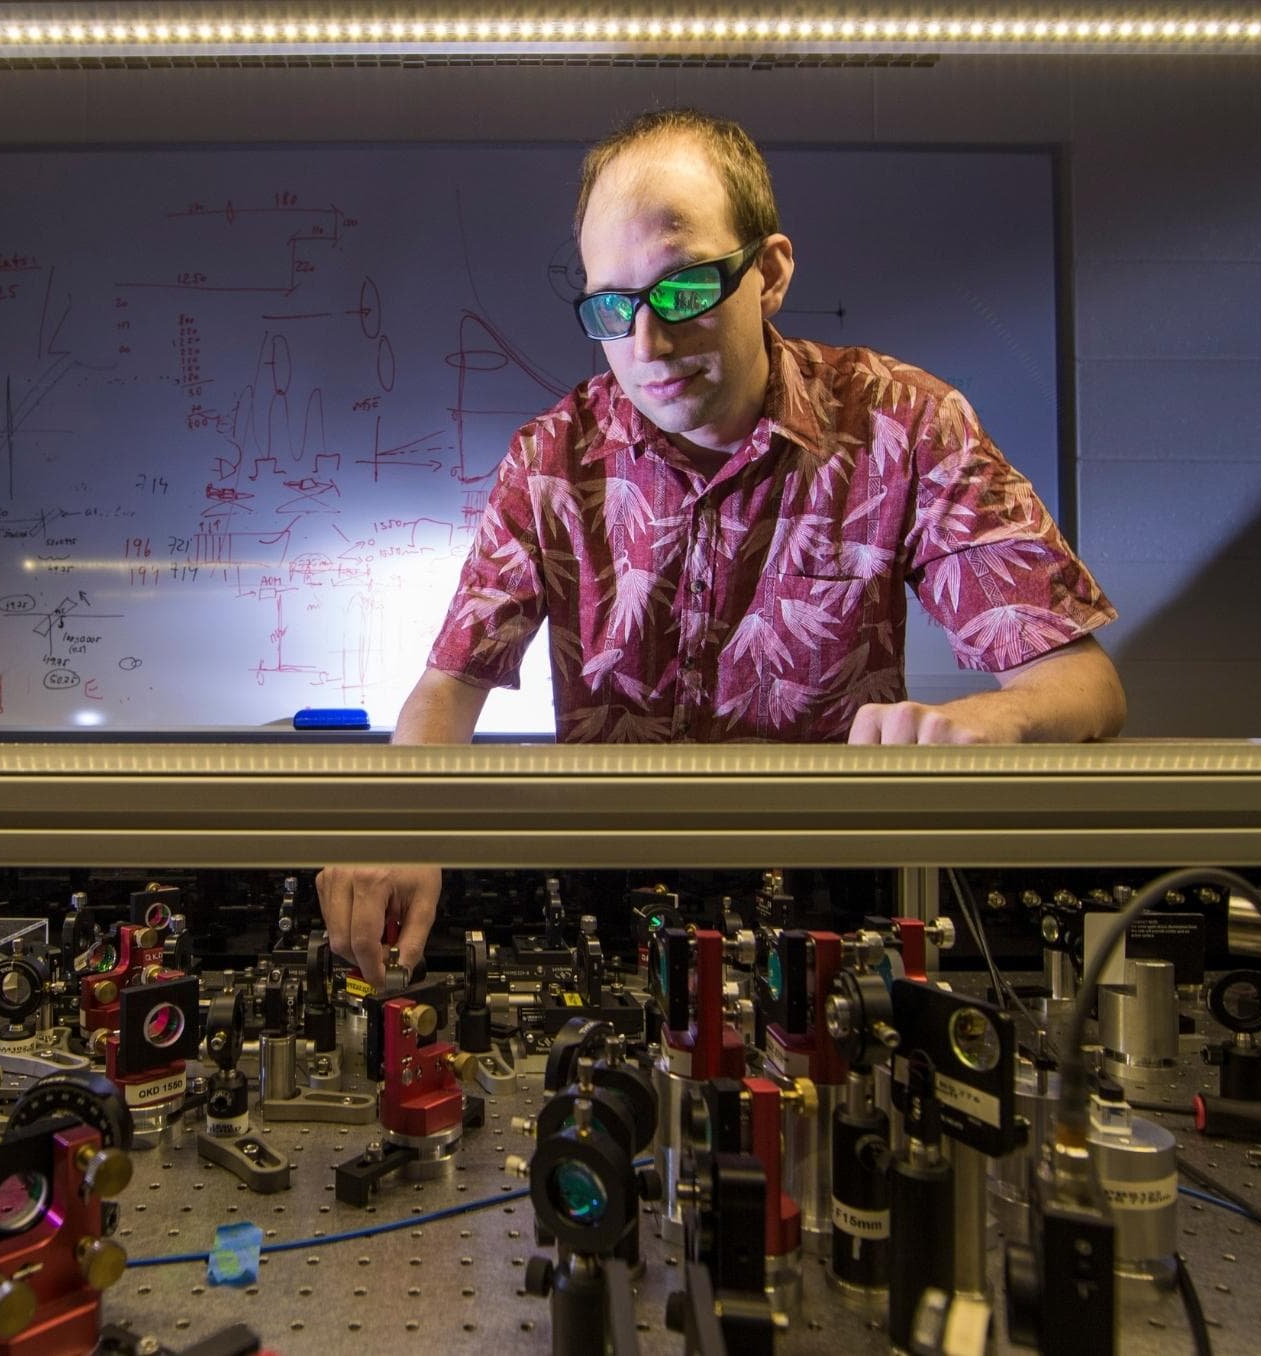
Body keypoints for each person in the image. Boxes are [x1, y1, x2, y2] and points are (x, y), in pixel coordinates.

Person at [318, 108, 1125, 983]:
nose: (648, 344)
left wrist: (990, 719)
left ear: (769, 272)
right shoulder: (552, 457)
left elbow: (1084, 686)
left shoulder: (903, 422)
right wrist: (399, 827)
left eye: (684, 290)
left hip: (833, 927)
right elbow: (451, 685)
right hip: (613, 925)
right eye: (613, 306)